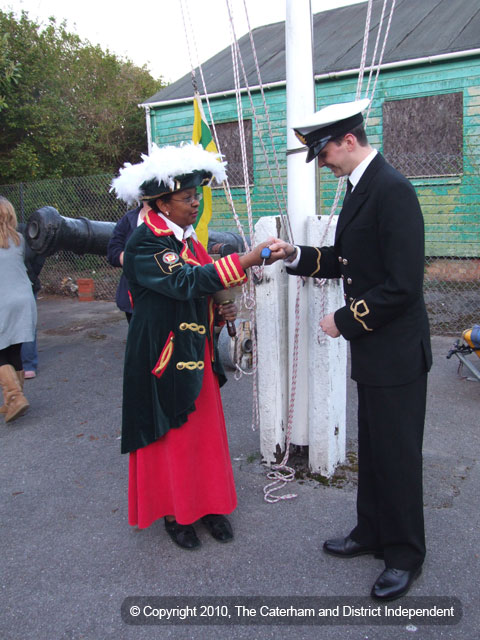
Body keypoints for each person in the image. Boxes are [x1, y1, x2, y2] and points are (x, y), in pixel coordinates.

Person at [268, 99, 432, 600]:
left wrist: (342, 320)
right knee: (376, 448)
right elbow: (347, 259)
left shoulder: (393, 191)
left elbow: (403, 286)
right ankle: (371, 532)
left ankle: (404, 554)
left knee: (398, 456)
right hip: (377, 352)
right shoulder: (362, 188)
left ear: (349, 141)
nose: (322, 163)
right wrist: (295, 254)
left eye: (324, 153)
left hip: (398, 353)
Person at [111, 142, 268, 550]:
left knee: (202, 438)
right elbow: (183, 283)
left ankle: (209, 505)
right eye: (186, 197)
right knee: (172, 438)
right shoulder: (144, 243)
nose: (195, 203)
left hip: (195, 354)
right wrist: (249, 259)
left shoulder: (189, 243)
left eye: (197, 195)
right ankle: (175, 513)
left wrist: (220, 313)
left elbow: (199, 291)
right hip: (161, 357)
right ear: (161, 202)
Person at [0, 197, 37, 423]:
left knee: (0, 353)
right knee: (14, 350)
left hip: (2, 300)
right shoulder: (21, 240)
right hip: (23, 299)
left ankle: (15, 397)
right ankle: (12, 399)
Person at [107, 202, 150, 323]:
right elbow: (113, 251)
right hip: (133, 293)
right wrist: (134, 260)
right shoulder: (129, 218)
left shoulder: (172, 216)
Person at [18, 223, 46, 378]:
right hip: (27, 283)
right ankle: (28, 365)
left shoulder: (22, 235)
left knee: (25, 324)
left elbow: (39, 253)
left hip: (25, 284)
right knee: (27, 324)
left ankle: (26, 364)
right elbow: (40, 253)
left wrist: (32, 276)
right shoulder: (25, 233)